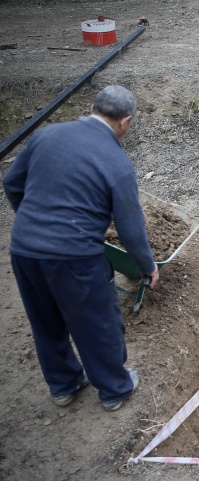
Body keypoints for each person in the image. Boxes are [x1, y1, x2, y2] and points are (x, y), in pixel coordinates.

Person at [3, 85, 158, 411]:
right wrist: (148, 265)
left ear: (92, 107)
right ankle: (115, 389)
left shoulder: (46, 135)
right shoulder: (118, 163)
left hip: (25, 250)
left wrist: (36, 225)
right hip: (75, 258)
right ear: (125, 121)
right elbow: (131, 231)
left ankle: (64, 385)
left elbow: (12, 183)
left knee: (44, 320)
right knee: (97, 322)